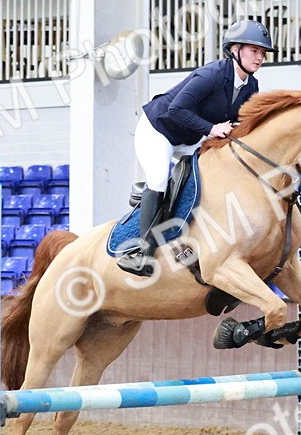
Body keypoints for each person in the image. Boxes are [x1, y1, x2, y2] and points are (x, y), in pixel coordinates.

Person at [117, 19, 275, 276]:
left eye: (263, 53)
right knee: (158, 180)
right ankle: (141, 252)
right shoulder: (211, 74)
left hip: (191, 138)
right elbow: (176, 109)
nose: (260, 57)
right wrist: (212, 129)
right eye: (254, 51)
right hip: (159, 130)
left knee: (209, 181)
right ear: (235, 50)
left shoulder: (251, 86)